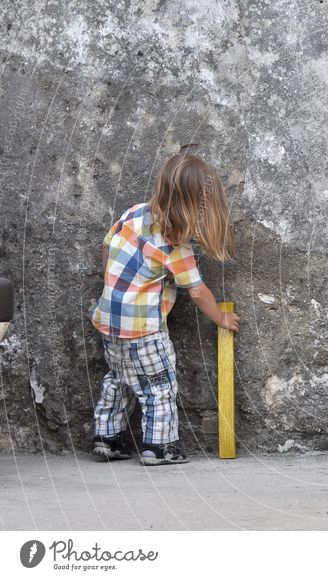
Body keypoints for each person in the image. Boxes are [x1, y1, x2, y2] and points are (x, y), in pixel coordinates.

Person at [90, 152, 240, 465]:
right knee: (158, 386)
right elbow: (198, 292)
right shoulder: (174, 248)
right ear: (196, 210)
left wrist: (112, 285)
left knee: (118, 379)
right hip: (145, 330)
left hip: (110, 321)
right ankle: (159, 447)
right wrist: (221, 318)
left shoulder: (132, 214)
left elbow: (107, 248)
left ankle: (107, 439)